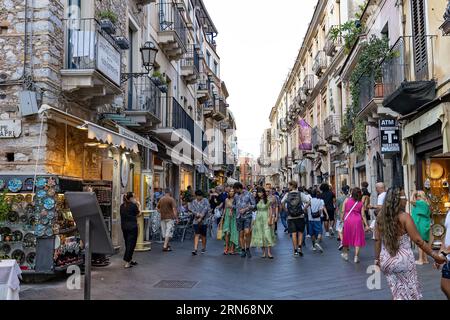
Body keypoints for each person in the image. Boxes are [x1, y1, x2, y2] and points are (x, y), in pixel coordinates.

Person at [375, 188, 446, 300]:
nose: (407, 200)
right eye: (404, 197)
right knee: (410, 292)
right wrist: (434, 255)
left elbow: (377, 240)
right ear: (398, 200)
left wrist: (377, 259)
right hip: (402, 261)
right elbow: (418, 240)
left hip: (386, 260)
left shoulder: (380, 217)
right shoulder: (404, 217)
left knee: (396, 292)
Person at [341, 187, 370, 263]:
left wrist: (342, 219)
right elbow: (363, 215)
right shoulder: (360, 203)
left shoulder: (347, 200)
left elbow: (343, 210)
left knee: (346, 237)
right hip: (357, 221)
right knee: (358, 238)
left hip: (348, 220)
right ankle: (356, 257)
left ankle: (345, 254)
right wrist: (366, 225)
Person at [281, 181, 307, 257]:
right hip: (300, 216)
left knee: (294, 234)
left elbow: (282, 202)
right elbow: (308, 201)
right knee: (301, 233)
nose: (288, 187)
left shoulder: (287, 194)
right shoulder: (301, 194)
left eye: (289, 185)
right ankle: (300, 247)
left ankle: (295, 250)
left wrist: (286, 210)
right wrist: (304, 209)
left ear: (292, 186)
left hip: (291, 217)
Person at [251, 187, 276, 259]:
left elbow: (271, 208)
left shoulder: (268, 199)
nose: (259, 193)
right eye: (258, 192)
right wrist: (254, 220)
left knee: (267, 234)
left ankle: (269, 252)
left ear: (263, 192)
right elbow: (254, 210)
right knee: (261, 235)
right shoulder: (256, 200)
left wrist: (270, 218)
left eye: (261, 192)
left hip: (266, 217)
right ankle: (264, 253)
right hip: (258, 218)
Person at [233, 182, 256, 258]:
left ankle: (248, 248)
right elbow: (234, 205)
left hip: (247, 216)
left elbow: (254, 205)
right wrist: (230, 206)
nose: (235, 191)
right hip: (238, 217)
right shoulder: (236, 196)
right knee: (241, 234)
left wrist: (246, 209)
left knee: (247, 232)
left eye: (235, 190)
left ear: (239, 188)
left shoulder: (249, 194)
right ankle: (243, 249)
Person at [410, 190, 432, 265]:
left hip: (420, 224)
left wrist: (413, 193)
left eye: (417, 196)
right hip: (425, 224)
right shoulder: (426, 203)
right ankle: (425, 259)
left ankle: (420, 260)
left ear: (420, 196)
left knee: (420, 242)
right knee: (424, 242)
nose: (416, 197)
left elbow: (411, 201)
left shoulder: (420, 203)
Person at [120, 192, 140, 268]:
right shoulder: (133, 206)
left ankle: (130, 260)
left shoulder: (122, 206)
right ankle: (127, 262)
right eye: (134, 197)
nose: (135, 198)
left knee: (127, 243)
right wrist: (139, 205)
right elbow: (138, 214)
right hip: (132, 227)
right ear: (130, 198)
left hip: (124, 227)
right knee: (131, 244)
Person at [189, 190, 210, 255]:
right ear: (196, 196)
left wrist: (201, 217)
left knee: (203, 235)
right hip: (196, 221)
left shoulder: (205, 200)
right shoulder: (194, 202)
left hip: (204, 221)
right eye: (198, 196)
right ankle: (195, 249)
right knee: (197, 234)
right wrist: (196, 214)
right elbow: (192, 209)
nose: (199, 197)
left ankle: (203, 248)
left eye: (200, 196)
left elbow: (206, 209)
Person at [437, 208, 450, 299]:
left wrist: (444, 253)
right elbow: (447, 233)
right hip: (448, 257)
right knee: (444, 286)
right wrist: (440, 253)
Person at [222, 189, 239, 255]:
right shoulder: (226, 199)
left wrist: (232, 208)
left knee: (233, 232)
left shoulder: (236, 199)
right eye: (230, 191)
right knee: (227, 232)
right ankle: (226, 247)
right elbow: (225, 208)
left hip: (234, 216)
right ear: (228, 192)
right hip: (227, 216)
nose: (231, 192)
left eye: (233, 191)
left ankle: (232, 249)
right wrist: (222, 217)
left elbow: (237, 207)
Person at [336, 185, 350, 250]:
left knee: (339, 230)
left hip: (340, 215)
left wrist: (335, 215)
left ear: (342, 191)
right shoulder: (350, 198)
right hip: (348, 215)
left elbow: (337, 208)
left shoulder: (339, 198)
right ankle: (346, 243)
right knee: (346, 230)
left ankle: (342, 242)